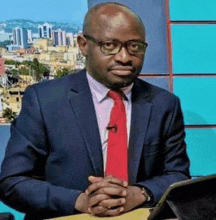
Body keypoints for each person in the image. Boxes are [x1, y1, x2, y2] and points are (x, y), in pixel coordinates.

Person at [0, 2, 190, 219]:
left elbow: (178, 174)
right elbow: (13, 181)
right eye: (110, 45)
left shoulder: (164, 104)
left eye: (135, 46)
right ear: (83, 45)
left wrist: (140, 193)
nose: (124, 57)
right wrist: (81, 201)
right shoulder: (44, 101)